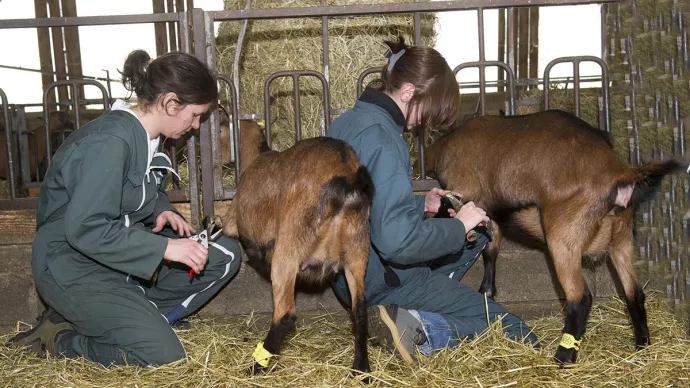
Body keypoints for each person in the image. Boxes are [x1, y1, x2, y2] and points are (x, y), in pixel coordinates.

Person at [8, 50, 241, 367]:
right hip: (73, 265)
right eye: (195, 115)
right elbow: (87, 228)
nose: (197, 126)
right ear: (170, 103)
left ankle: (138, 319)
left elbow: (141, 187)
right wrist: (166, 247)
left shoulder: (148, 137)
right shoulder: (109, 143)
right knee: (163, 356)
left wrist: (160, 209)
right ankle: (61, 339)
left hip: (116, 260)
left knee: (224, 252)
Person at [327, 36, 539, 363]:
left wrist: (420, 206)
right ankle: (421, 329)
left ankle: (404, 312)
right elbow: (395, 243)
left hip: (346, 280)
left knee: (480, 232)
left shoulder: (347, 123)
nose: (427, 123)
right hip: (382, 280)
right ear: (409, 92)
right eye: (429, 112)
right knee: (517, 332)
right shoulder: (385, 141)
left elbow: (357, 206)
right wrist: (458, 227)